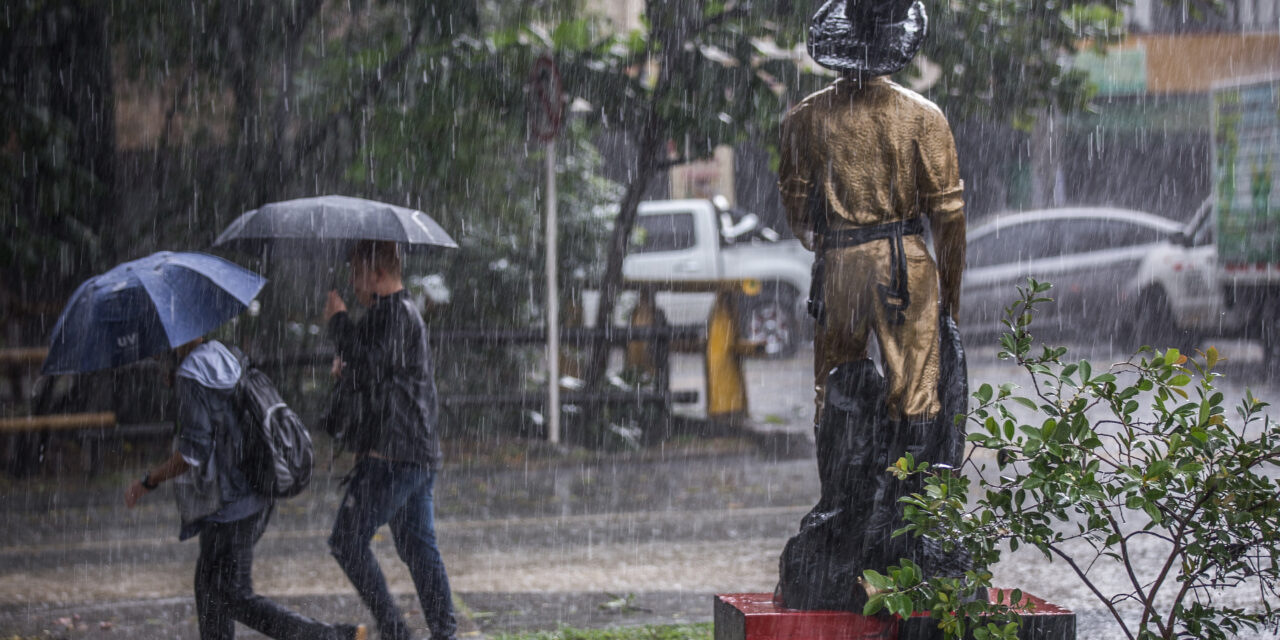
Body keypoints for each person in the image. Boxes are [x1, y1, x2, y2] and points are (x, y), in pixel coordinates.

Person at [778, 0, 965, 431]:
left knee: (835, 386)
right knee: (916, 390)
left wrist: (827, 239)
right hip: (903, 263)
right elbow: (949, 216)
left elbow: (797, 207)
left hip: (839, 263)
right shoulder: (923, 116)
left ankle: (843, 492)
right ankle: (909, 493)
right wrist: (950, 297)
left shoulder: (805, 118)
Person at [125, 337, 365, 640]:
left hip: (231, 504)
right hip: (258, 487)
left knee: (229, 594)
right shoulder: (225, 354)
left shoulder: (192, 374)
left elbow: (191, 454)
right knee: (212, 591)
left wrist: (148, 481)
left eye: (159, 348)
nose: (156, 355)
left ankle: (329, 637)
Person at [323, 239, 457, 640]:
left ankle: (397, 631)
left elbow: (371, 364)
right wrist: (346, 369)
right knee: (417, 545)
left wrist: (338, 322)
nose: (351, 282)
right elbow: (373, 371)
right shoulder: (398, 312)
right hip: (413, 450)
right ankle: (444, 632)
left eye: (355, 272)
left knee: (347, 541)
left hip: (394, 453)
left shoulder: (393, 313)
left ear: (377, 274)